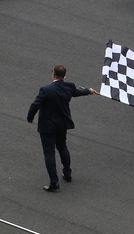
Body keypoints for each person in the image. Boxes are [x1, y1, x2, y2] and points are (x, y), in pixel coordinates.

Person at [27, 64, 97, 192]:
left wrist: (30, 118)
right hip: (62, 125)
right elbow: (77, 92)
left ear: (53, 74)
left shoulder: (45, 90)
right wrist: (89, 91)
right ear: (64, 76)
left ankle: (54, 182)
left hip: (47, 126)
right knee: (62, 147)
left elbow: (35, 105)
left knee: (49, 153)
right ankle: (67, 173)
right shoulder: (69, 86)